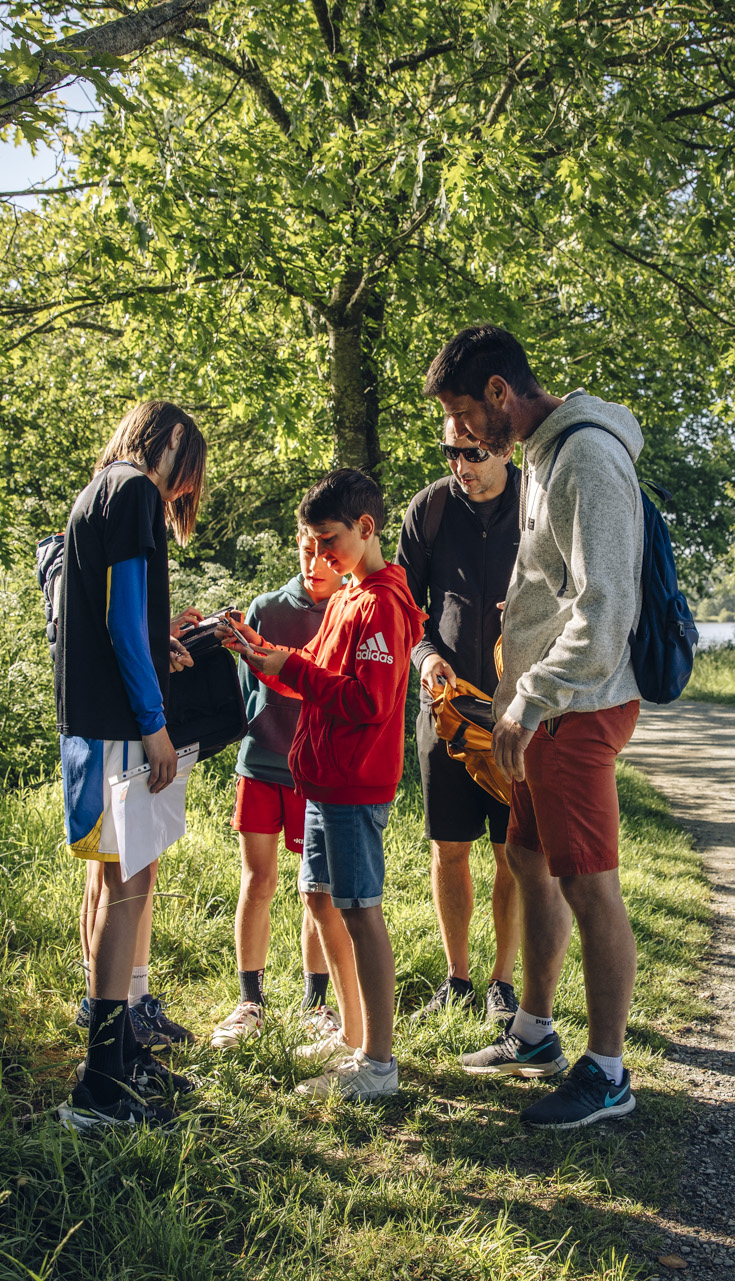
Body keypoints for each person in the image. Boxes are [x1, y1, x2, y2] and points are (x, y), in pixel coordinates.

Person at [426, 325, 646, 1130]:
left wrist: (533, 695)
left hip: (574, 708)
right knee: (526, 857)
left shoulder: (585, 456)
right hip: (539, 708)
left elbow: (606, 607)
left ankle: (609, 1072)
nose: (458, 435)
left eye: (462, 414)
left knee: (589, 883)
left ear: (498, 392)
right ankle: (535, 1034)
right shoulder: (545, 454)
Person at [223, 468, 425, 1100]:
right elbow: (312, 672)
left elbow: (368, 701)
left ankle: (378, 1064)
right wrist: (261, 654)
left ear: (366, 528)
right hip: (319, 778)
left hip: (354, 784)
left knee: (360, 910)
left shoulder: (383, 604)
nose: (321, 554)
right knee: (318, 899)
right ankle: (351, 1034)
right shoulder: (346, 595)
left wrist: (295, 670)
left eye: (330, 540)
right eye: (311, 542)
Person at [55, 400, 208, 1130]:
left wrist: (158, 641)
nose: (181, 491)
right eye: (187, 473)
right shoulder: (136, 489)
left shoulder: (95, 494)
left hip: (86, 721)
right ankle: (101, 1087)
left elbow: (111, 615)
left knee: (106, 878)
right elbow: (120, 619)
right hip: (121, 725)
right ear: (171, 440)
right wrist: (155, 726)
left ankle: (117, 1053)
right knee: (130, 884)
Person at [395, 417, 524, 1025]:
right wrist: (425, 658)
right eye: (451, 453)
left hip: (517, 712)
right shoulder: (430, 509)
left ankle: (503, 983)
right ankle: (457, 978)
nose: (460, 466)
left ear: (505, 447)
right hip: (445, 708)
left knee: (511, 853)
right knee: (449, 848)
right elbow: (403, 608)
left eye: (472, 453)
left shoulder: (538, 504)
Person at [208, 529, 353, 1049]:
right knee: (258, 881)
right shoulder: (266, 608)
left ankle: (316, 1005)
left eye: (326, 554)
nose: (315, 564)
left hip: (315, 771)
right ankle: (250, 1001)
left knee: (319, 893)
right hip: (260, 764)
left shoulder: (350, 610)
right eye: (307, 551)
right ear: (297, 544)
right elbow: (251, 687)